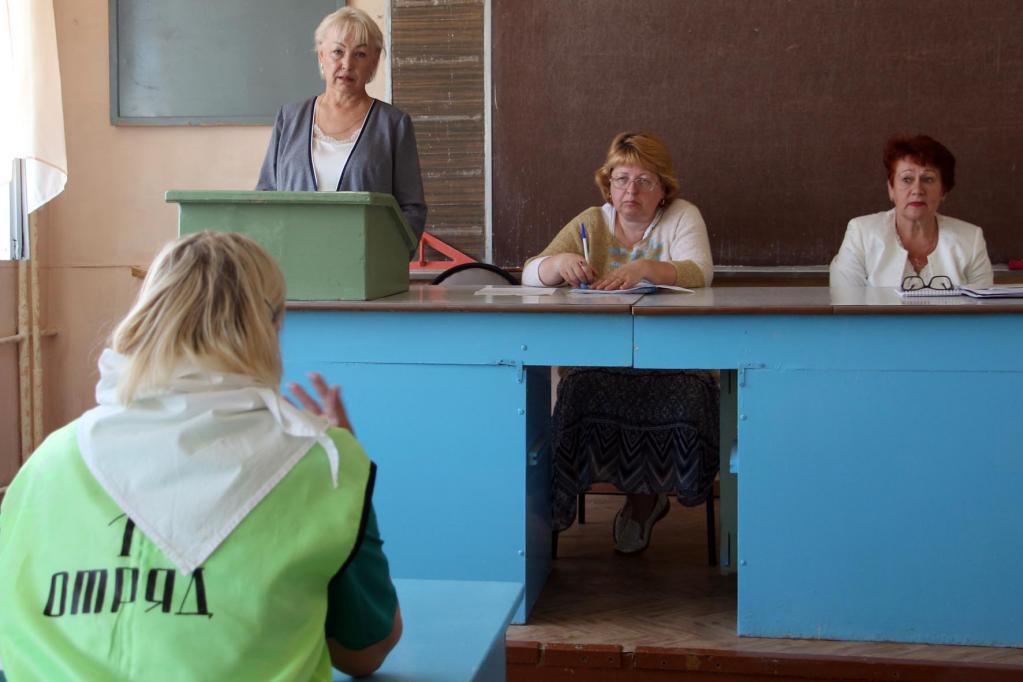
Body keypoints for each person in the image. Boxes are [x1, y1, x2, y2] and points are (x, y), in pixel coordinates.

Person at [0, 232, 401, 680]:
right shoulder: (324, 464)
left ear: (147, 315)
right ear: (270, 325)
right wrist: (345, 470)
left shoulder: (48, 461)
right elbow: (365, 651)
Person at [522, 131, 719, 555]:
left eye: (645, 181)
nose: (631, 191)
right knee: (578, 390)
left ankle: (644, 502)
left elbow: (700, 272)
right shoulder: (592, 222)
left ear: (663, 189)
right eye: (622, 179)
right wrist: (558, 263)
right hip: (598, 360)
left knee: (692, 394)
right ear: (607, 184)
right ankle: (558, 513)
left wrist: (646, 268)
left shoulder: (682, 216)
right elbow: (529, 273)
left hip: (674, 361)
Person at [256, 7, 427, 251]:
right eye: (338, 51)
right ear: (321, 56)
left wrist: (386, 257)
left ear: (374, 61)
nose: (347, 64)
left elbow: (412, 210)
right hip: (293, 260)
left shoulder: (393, 124)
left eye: (360, 54)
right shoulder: (290, 118)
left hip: (365, 263)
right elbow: (265, 196)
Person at [830, 134, 993, 289]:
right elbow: (846, 303)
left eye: (928, 179)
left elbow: (984, 306)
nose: (917, 190)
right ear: (891, 189)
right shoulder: (861, 234)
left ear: (943, 191)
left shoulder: (970, 239)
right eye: (907, 179)